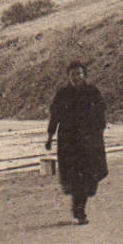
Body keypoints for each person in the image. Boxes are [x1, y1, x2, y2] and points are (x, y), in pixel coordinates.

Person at [46, 61, 107, 224]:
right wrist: (50, 136)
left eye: (79, 73)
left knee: (89, 174)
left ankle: (79, 207)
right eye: (73, 74)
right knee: (74, 175)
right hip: (68, 142)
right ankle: (79, 211)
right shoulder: (63, 93)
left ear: (84, 75)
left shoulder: (92, 91)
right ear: (68, 76)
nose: (76, 77)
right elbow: (55, 116)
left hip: (88, 140)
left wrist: (98, 133)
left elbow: (101, 114)